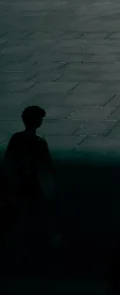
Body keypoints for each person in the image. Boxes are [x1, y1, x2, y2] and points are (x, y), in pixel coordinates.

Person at [3, 105, 60, 257]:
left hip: (20, 181)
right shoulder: (39, 142)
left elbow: (9, 160)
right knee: (39, 211)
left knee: (21, 213)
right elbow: (46, 165)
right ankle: (47, 239)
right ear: (38, 122)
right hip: (33, 183)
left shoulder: (16, 138)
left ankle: (16, 243)